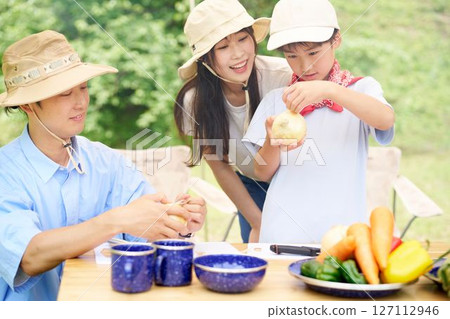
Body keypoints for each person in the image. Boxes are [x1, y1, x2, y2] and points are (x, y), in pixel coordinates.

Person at [0, 30, 207, 301]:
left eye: (83, 88)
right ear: (28, 105)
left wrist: (182, 220)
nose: (81, 102)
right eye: (65, 93)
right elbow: (29, 255)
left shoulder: (104, 161)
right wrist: (115, 220)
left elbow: (149, 225)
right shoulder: (6, 172)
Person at [243, 0, 395, 243]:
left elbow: (386, 120)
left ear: (336, 40)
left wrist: (330, 91)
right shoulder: (276, 100)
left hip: (342, 236)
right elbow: (261, 171)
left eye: (313, 53)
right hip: (282, 235)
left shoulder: (361, 90)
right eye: (292, 56)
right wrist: (273, 143)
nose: (305, 65)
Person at [174, 0, 292, 243]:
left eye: (242, 38)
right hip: (249, 188)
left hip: (295, 183)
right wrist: (257, 222)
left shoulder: (284, 78)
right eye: (223, 46)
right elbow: (219, 165)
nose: (238, 53)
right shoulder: (194, 100)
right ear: (206, 58)